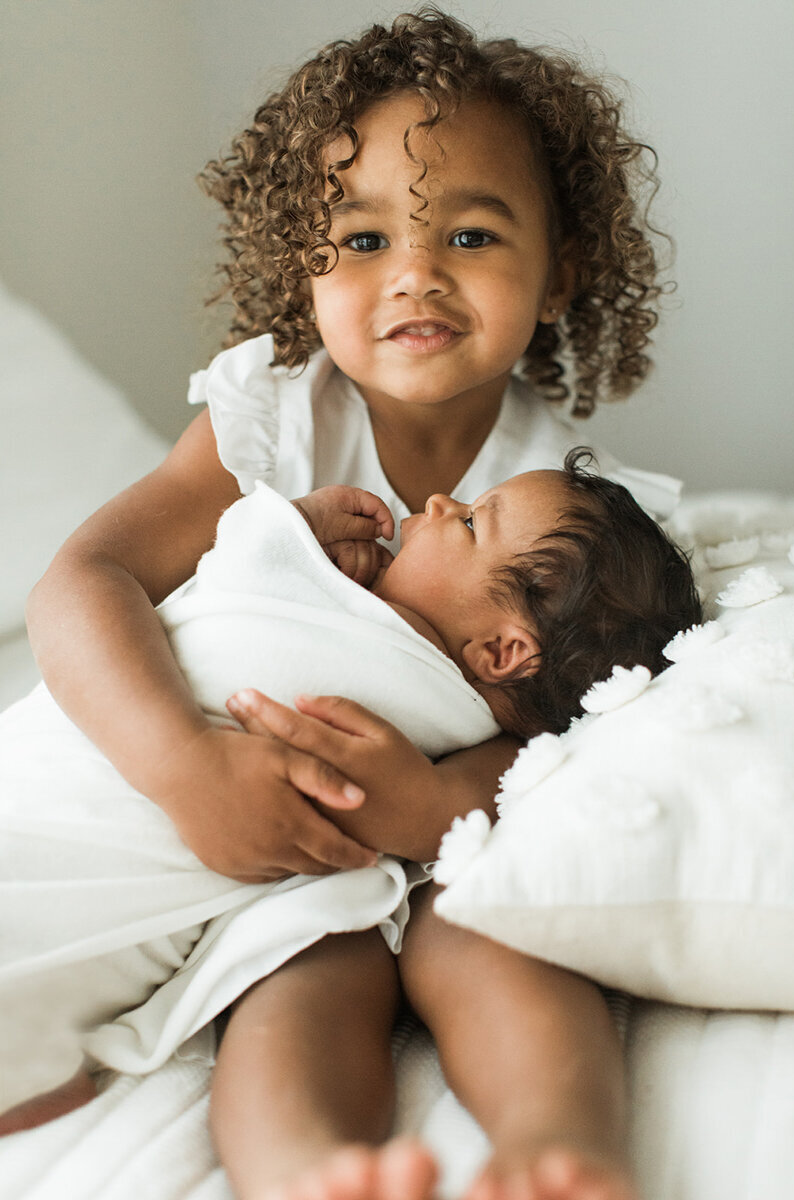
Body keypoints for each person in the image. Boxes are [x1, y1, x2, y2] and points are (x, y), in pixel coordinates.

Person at [17, 8, 690, 1197]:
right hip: (212, 806)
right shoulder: (275, 421)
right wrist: (181, 762)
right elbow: (85, 581)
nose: (415, 273)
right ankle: (315, 1172)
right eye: (363, 236)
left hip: (369, 854)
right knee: (308, 961)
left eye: (471, 233)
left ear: (560, 266)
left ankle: (549, 1148)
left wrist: (428, 802)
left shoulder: (561, 508)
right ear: (301, 264)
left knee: (444, 942)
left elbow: (588, 726)